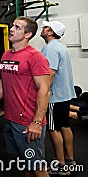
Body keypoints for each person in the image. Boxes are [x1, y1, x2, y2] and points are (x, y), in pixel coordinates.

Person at [0, 16, 51, 177]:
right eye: (12, 26)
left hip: (28, 121)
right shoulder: (6, 55)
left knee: (37, 167)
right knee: (24, 162)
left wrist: (36, 122)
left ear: (28, 34)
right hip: (11, 118)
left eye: (17, 27)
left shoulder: (35, 57)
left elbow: (44, 90)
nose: (12, 29)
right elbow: (3, 83)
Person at [40, 20, 77, 174]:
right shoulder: (61, 47)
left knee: (53, 129)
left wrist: (42, 95)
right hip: (65, 95)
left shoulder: (50, 48)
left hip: (55, 97)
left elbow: (50, 73)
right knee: (65, 126)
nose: (42, 28)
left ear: (50, 32)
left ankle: (61, 165)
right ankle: (70, 160)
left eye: (45, 27)